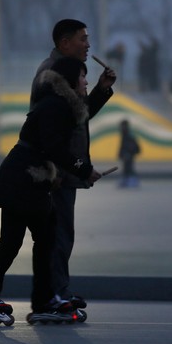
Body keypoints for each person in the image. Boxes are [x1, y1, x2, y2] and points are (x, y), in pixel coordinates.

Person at [0, 57, 102, 323]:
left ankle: (41, 300)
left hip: (29, 181)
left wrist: (104, 89)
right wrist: (83, 169)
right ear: (69, 80)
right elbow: (54, 148)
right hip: (20, 181)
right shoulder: (55, 107)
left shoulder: (62, 105)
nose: (86, 81)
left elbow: (81, 114)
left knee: (44, 240)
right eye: (83, 76)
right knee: (16, 243)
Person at [30, 19, 116, 310]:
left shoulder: (64, 73)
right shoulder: (51, 75)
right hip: (57, 172)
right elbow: (48, 132)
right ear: (64, 43)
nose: (88, 45)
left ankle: (56, 293)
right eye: (83, 39)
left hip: (64, 169)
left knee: (60, 234)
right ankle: (54, 296)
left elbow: (76, 116)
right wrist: (67, 168)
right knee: (57, 235)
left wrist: (102, 90)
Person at [117, 119, 141, 188]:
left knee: (129, 168)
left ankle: (132, 181)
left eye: (122, 126)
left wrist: (127, 153)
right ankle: (127, 181)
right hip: (127, 155)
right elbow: (122, 145)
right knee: (126, 168)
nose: (121, 128)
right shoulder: (124, 134)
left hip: (128, 155)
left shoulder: (128, 135)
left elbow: (127, 145)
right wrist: (120, 153)